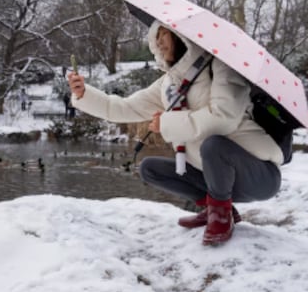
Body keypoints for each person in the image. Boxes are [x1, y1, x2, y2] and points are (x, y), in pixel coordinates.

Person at [66, 22, 283, 246]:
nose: (158, 42)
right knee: (150, 168)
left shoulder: (220, 67)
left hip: (258, 176)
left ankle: (221, 216)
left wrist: (167, 123)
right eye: (155, 38)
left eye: (164, 35)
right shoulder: (169, 83)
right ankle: (215, 208)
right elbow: (123, 108)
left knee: (214, 145)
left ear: (182, 37)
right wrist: (84, 94)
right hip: (216, 177)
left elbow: (223, 118)